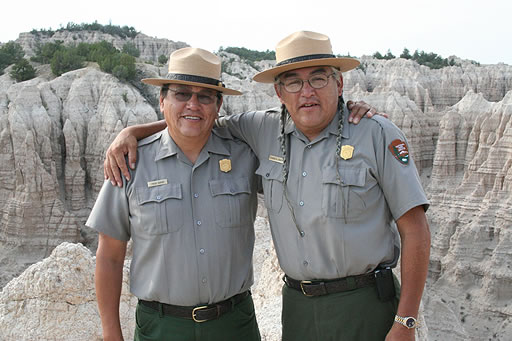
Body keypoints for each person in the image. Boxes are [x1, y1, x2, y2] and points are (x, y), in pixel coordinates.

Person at [104, 31, 429, 341]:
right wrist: (133, 132)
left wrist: (406, 321)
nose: (307, 91)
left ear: (339, 83)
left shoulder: (375, 134)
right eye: (293, 81)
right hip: (298, 309)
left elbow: (415, 229)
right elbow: (195, 122)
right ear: (279, 91)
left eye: (319, 78)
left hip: (365, 305)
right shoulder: (260, 130)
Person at [87, 47, 262, 341]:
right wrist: (111, 334)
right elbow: (109, 257)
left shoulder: (246, 156)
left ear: (218, 106)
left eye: (204, 96)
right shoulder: (129, 162)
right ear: (162, 99)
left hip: (234, 325)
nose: (193, 104)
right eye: (182, 94)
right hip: (162, 328)